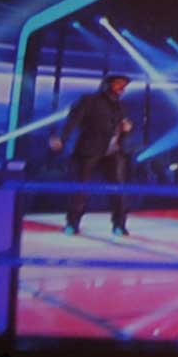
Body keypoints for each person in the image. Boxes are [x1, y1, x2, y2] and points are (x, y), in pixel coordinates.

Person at [49, 74, 134, 236]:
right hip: (90, 150)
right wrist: (62, 138)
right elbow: (73, 120)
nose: (122, 88)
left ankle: (119, 224)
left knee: (118, 189)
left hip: (113, 151)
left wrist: (126, 130)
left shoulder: (121, 106)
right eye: (118, 84)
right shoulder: (89, 100)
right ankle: (72, 223)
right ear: (108, 84)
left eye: (124, 85)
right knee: (81, 188)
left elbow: (122, 127)